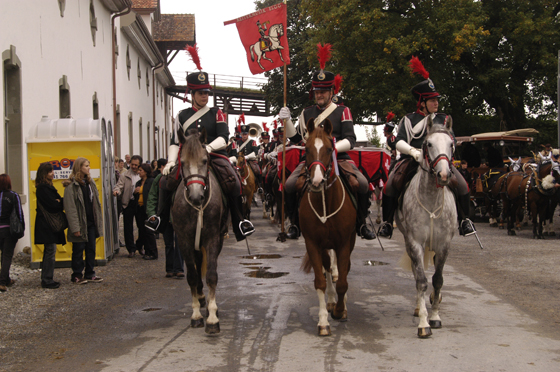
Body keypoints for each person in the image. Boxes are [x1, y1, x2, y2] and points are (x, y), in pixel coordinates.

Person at [278, 43, 376, 240]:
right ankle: (295, 224)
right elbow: (297, 138)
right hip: (312, 159)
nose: (319, 94)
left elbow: (350, 139)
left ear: (332, 91)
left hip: (340, 158)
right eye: (317, 91)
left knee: (363, 184)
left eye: (323, 91)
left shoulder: (343, 110)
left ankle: (361, 224)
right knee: (289, 185)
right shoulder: (307, 112)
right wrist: (287, 121)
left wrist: (332, 150)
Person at [161, 46, 254, 241]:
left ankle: (239, 223)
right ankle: (159, 219)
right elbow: (174, 141)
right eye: (201, 92)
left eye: (207, 92)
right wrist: (170, 162)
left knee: (234, 182)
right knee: (164, 182)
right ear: (192, 93)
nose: (205, 96)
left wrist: (208, 148)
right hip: (188, 158)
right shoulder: (182, 115)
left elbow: (224, 137)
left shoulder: (217, 113)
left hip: (214, 156)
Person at [378, 56, 476, 238]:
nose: (436, 103)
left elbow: (452, 140)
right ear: (422, 102)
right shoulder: (409, 119)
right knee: (390, 186)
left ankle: (465, 221)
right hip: (412, 160)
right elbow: (399, 141)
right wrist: (413, 152)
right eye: (432, 100)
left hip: (440, 160)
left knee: (462, 185)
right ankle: (387, 223)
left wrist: (447, 153)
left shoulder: (444, 119)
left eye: (437, 100)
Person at [63, 157, 103, 284]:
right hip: (80, 223)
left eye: (89, 165)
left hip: (91, 222)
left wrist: (98, 222)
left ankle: (90, 273)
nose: (88, 168)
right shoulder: (72, 186)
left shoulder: (90, 184)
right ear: (79, 167)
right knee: (78, 249)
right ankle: (77, 275)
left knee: (91, 248)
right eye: (86, 166)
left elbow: (96, 204)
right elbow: (70, 208)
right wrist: (75, 227)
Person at [145, 159, 185, 278]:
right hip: (165, 215)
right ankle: (170, 269)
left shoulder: (184, 178)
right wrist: (152, 214)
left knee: (179, 243)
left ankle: (179, 268)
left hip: (179, 217)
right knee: (168, 243)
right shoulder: (161, 179)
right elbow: (152, 196)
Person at [34, 163, 66, 289]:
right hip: (46, 225)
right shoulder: (43, 188)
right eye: (50, 171)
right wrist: (59, 202)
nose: (53, 173)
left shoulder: (47, 187)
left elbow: (58, 201)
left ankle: (47, 277)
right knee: (50, 250)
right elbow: (53, 205)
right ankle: (47, 279)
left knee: (50, 250)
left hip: (47, 224)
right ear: (44, 174)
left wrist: (59, 201)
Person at [113, 155, 142, 257]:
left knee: (142, 227)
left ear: (139, 165)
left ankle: (139, 245)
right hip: (128, 203)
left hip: (140, 204)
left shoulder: (142, 175)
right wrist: (116, 191)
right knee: (128, 227)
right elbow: (119, 185)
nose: (133, 166)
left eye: (136, 165)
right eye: (132, 164)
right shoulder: (125, 175)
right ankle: (131, 249)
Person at [0, 174, 24, 292]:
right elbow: (19, 213)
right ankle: (3, 281)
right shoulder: (13, 195)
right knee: (7, 255)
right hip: (9, 230)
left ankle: (6, 278)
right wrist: (22, 228)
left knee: (3, 254)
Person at [134, 163, 156, 260]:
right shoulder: (138, 183)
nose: (139, 172)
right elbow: (136, 196)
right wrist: (135, 192)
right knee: (142, 230)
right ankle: (144, 249)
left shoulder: (151, 181)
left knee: (149, 231)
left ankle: (152, 252)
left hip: (148, 209)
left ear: (146, 171)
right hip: (140, 208)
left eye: (140, 170)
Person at [236, 124, 263, 193]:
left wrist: (246, 157)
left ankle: (260, 186)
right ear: (241, 134)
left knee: (258, 170)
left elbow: (255, 152)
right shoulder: (238, 142)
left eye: (245, 134)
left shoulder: (252, 142)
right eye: (243, 134)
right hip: (240, 161)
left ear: (248, 134)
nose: (244, 136)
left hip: (250, 160)